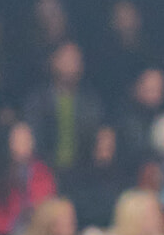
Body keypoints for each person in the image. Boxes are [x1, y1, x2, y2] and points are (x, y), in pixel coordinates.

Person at [23, 40, 104, 178]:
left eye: (75, 60)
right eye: (65, 59)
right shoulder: (38, 101)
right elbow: (33, 139)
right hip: (44, 172)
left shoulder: (91, 102)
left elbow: (94, 140)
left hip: (84, 173)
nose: (71, 65)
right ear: (53, 62)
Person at [0, 120, 56, 235]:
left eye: (27, 139)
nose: (22, 145)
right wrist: (11, 229)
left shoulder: (43, 172)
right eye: (17, 140)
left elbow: (45, 208)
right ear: (6, 141)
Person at [65, 123, 124, 232]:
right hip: (84, 230)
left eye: (110, 142)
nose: (107, 145)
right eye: (102, 141)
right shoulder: (75, 174)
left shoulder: (122, 174)